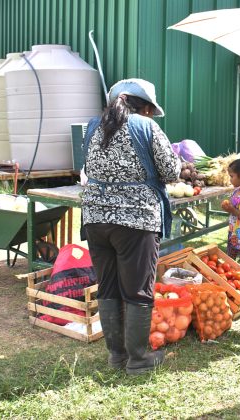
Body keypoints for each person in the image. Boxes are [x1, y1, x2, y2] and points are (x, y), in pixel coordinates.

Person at [82, 79, 181, 374]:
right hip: (136, 220)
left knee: (108, 287)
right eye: (150, 110)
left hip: (95, 219)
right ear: (145, 107)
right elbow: (171, 170)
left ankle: (116, 356)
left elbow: (87, 168)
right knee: (138, 289)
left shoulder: (91, 126)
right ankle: (138, 359)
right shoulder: (146, 127)